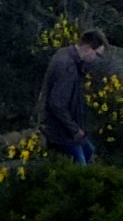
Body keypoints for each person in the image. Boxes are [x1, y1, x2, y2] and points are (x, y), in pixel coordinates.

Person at [38, 24, 107, 163]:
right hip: (60, 131)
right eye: (97, 54)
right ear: (88, 48)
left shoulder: (67, 56)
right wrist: (74, 130)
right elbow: (57, 104)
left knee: (89, 151)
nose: (96, 59)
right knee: (80, 165)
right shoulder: (67, 66)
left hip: (66, 128)